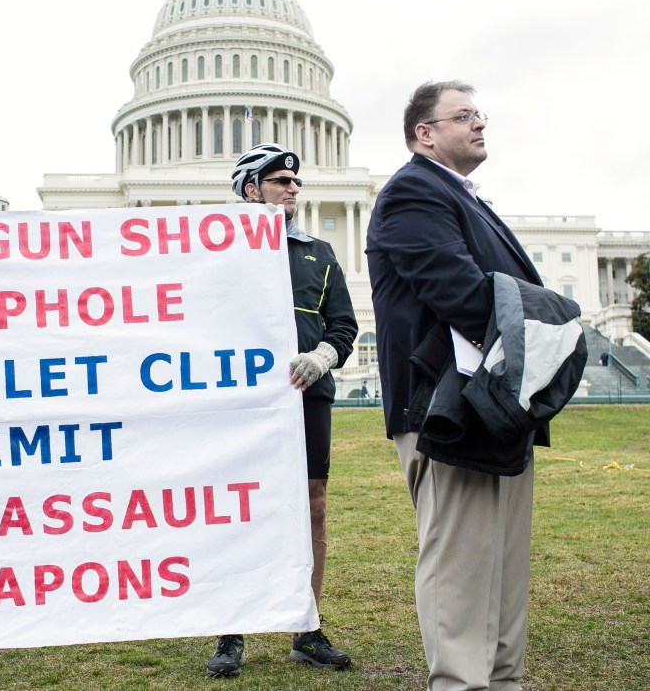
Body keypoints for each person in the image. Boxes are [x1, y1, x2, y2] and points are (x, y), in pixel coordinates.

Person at [365, 81, 546, 691]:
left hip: (493, 406)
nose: (479, 124)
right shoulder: (414, 191)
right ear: (425, 132)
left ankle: (501, 682)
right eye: (463, 115)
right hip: (448, 409)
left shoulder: (463, 197)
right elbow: (459, 291)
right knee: (463, 569)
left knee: (501, 568)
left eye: (480, 114)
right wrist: (546, 328)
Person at [205, 144, 358, 677]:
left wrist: (322, 356)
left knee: (313, 505)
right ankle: (232, 631)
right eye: (281, 180)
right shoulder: (217, 255)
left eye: (296, 180)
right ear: (252, 189)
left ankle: (306, 628)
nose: (294, 188)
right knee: (238, 508)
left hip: (306, 395)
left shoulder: (319, 252)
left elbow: (344, 325)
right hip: (239, 400)